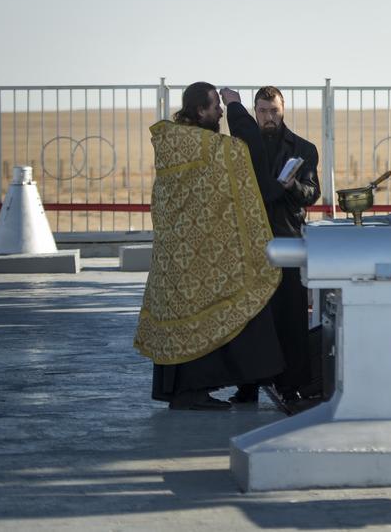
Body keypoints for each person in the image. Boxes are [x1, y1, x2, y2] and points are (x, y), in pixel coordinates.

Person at [134, 81, 284, 410]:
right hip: (195, 252)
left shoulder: (176, 141)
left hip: (177, 254)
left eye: (220, 105)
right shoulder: (206, 145)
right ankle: (191, 393)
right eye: (215, 105)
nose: (218, 111)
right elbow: (249, 150)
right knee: (217, 303)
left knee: (188, 315)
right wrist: (236, 107)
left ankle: (184, 392)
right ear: (200, 110)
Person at [220, 85, 320, 406]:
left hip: (287, 239)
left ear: (283, 108)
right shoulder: (242, 147)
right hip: (250, 243)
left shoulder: (304, 148)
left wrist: (292, 188)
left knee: (290, 316)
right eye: (262, 111)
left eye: (273, 110)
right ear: (255, 111)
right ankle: (248, 386)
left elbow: (312, 193)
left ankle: (290, 386)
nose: (268, 117)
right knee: (252, 317)